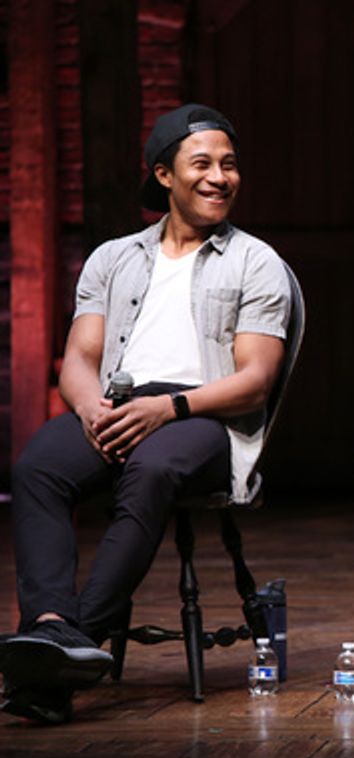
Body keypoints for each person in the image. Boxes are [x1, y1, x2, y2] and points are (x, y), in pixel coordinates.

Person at [0, 104, 294, 724]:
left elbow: (254, 383)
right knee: (36, 470)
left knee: (152, 473)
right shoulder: (114, 258)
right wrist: (90, 411)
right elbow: (77, 358)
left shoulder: (254, 261)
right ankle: (50, 625)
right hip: (121, 407)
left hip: (202, 418)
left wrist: (168, 408)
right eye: (203, 164)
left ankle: (74, 640)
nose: (221, 177)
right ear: (164, 175)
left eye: (230, 165)